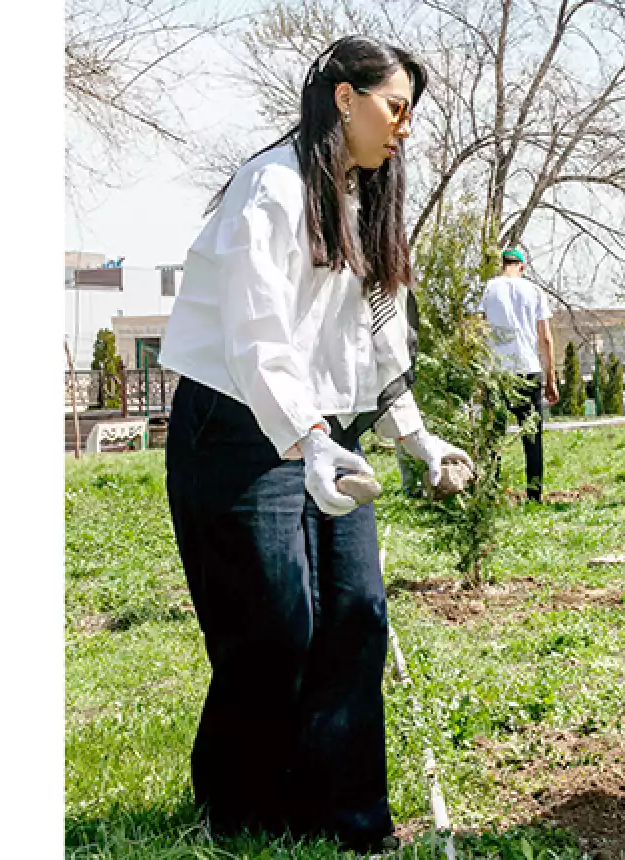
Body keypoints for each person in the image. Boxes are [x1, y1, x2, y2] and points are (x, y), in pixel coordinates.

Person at [158, 36, 473, 852]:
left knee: (357, 614)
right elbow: (256, 334)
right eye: (394, 107)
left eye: (410, 113)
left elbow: (377, 330)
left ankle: (349, 818)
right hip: (235, 424)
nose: (404, 127)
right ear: (344, 98)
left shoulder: (363, 198)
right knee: (275, 627)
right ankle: (244, 811)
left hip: (326, 430)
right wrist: (306, 438)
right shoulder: (271, 187)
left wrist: (415, 436)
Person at [479, 247, 559, 502]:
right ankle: (534, 494)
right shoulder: (534, 291)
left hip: (497, 371)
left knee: (494, 435)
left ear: (503, 264)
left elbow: (477, 330)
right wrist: (551, 379)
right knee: (532, 436)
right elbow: (545, 338)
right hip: (528, 369)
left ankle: (491, 492)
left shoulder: (489, 289)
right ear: (522, 267)